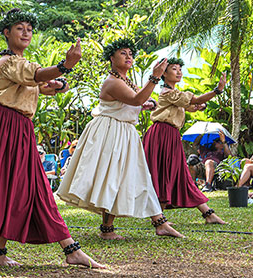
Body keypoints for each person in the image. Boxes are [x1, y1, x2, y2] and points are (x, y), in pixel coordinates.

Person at [0, 8, 104, 269]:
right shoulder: (8, 63)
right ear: (6, 33)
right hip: (3, 125)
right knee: (21, 185)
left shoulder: (22, 65)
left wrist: (59, 81)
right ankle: (70, 249)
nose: (26, 31)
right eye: (19, 27)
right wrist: (65, 66)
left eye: (29, 27)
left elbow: (42, 83)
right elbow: (38, 76)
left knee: (18, 185)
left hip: (17, 127)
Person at [57, 38, 183, 240]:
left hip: (123, 131)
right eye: (123, 53)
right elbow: (136, 99)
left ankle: (156, 222)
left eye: (130, 54)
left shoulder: (124, 80)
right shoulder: (112, 82)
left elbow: (139, 100)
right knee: (113, 176)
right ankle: (149, 224)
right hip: (110, 131)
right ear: (111, 58)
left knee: (130, 175)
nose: (128, 57)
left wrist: (147, 103)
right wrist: (154, 78)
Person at [142, 58, 226, 224]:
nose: (179, 72)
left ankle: (206, 214)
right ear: (164, 73)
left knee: (177, 173)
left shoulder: (175, 93)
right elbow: (193, 101)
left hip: (170, 135)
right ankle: (206, 214)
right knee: (163, 173)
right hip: (161, 135)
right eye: (174, 69)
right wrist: (217, 90)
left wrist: (200, 104)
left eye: (180, 68)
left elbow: (193, 105)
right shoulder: (167, 93)